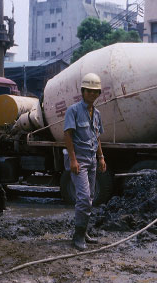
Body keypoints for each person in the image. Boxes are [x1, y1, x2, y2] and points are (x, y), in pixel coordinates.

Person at [64, 73, 106, 250]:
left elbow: (96, 137)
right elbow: (67, 135)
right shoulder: (73, 110)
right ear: (82, 91)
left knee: (90, 197)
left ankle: (84, 231)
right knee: (82, 198)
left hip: (92, 161)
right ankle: (78, 236)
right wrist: (73, 160)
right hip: (79, 161)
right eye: (89, 91)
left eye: (95, 92)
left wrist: (101, 157)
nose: (92, 94)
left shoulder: (96, 114)